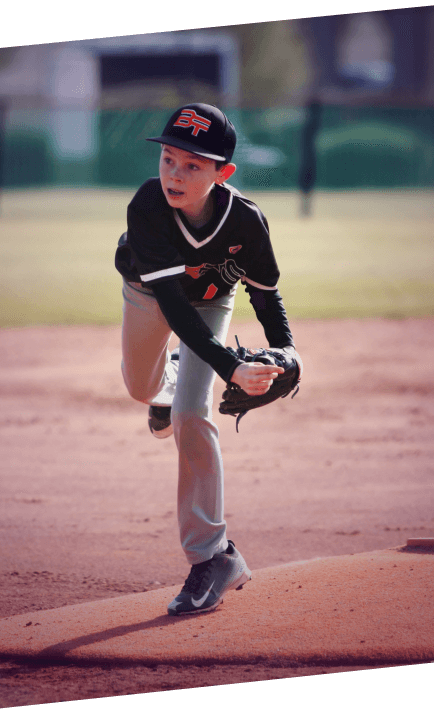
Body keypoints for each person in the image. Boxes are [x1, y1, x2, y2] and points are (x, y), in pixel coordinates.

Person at [115, 103, 300, 616]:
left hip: (214, 301)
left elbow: (266, 297)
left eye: (192, 165)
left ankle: (213, 557)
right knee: (139, 387)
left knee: (192, 415)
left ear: (223, 173)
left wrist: (287, 352)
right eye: (169, 158)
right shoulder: (149, 206)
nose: (174, 173)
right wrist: (232, 368)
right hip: (150, 295)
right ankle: (168, 384)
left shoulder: (247, 221)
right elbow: (173, 306)